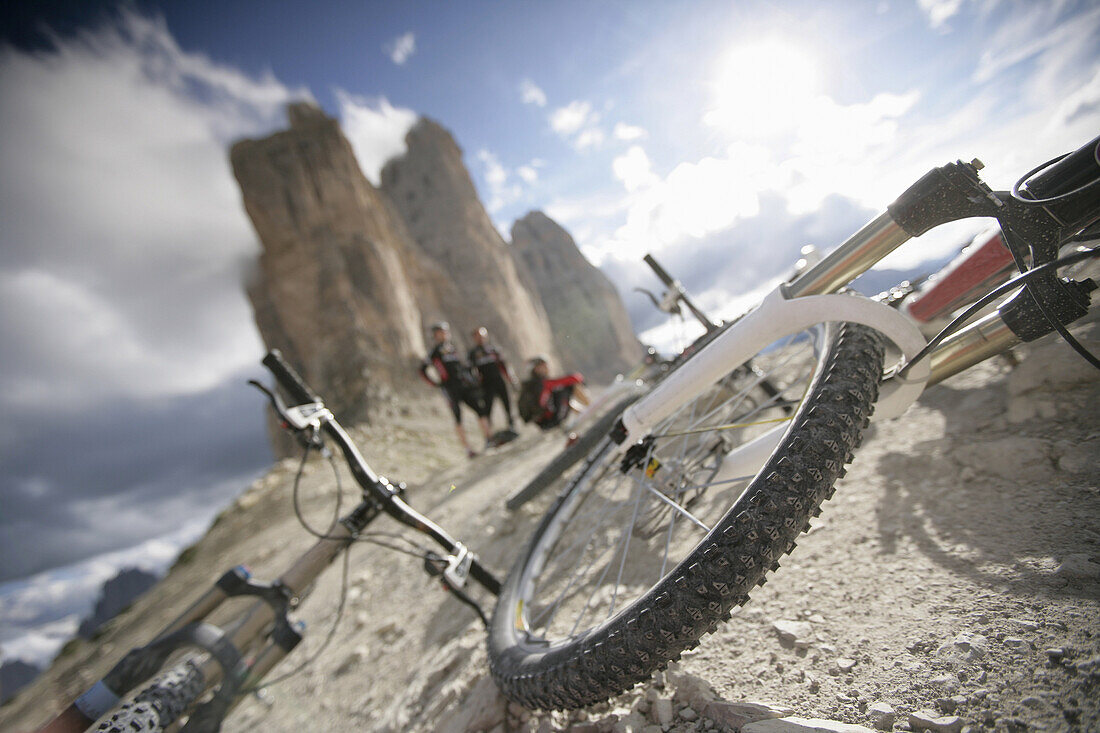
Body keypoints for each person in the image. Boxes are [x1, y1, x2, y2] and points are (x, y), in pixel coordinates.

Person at [418, 322, 492, 458]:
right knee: (458, 417)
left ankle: (489, 439)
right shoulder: (434, 352)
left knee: (480, 410)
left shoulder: (452, 349)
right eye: (440, 333)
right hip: (450, 389)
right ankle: (467, 449)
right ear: (435, 335)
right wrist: (436, 383)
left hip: (463, 386)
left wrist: (471, 380)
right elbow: (423, 370)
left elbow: (461, 367)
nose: (443, 335)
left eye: (445, 332)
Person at [517, 357, 590, 430]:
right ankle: (590, 406)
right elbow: (573, 378)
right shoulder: (542, 384)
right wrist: (580, 380)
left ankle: (583, 412)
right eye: (543, 366)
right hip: (550, 420)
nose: (547, 368)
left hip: (544, 423)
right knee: (570, 387)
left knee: (560, 393)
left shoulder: (531, 386)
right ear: (536, 369)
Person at [468, 326, 516, 430]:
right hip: (486, 384)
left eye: (482, 336)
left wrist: (511, 378)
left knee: (507, 404)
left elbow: (504, 365)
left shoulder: (494, 350)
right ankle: (490, 431)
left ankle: (512, 426)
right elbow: (470, 370)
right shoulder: (473, 354)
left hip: (499, 380)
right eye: (477, 336)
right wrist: (475, 384)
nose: (480, 338)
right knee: (488, 408)